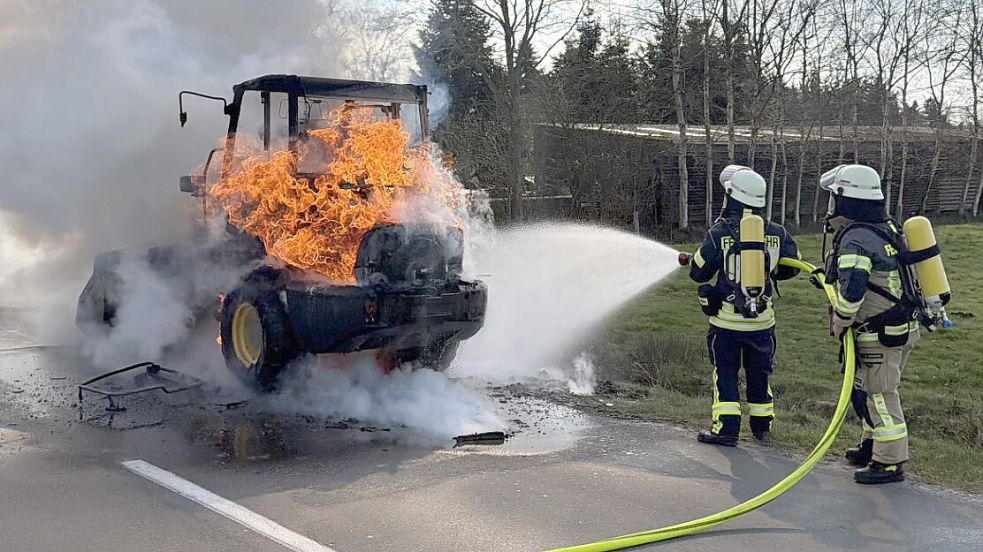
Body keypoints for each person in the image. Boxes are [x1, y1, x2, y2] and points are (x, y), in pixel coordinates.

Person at [820, 164, 918, 484]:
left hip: (877, 331)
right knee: (864, 387)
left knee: (879, 393)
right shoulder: (889, 228)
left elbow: (852, 290)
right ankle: (871, 445)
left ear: (846, 198)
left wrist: (840, 318)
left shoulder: (857, 237)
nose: (830, 205)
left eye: (834, 197)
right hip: (899, 326)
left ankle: (889, 462)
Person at [689, 165, 800, 446]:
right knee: (760, 374)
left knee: (725, 373)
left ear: (732, 197)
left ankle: (726, 430)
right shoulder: (776, 233)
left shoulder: (719, 232)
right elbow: (792, 266)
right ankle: (762, 428)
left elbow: (698, 271)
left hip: (725, 323)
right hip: (763, 324)